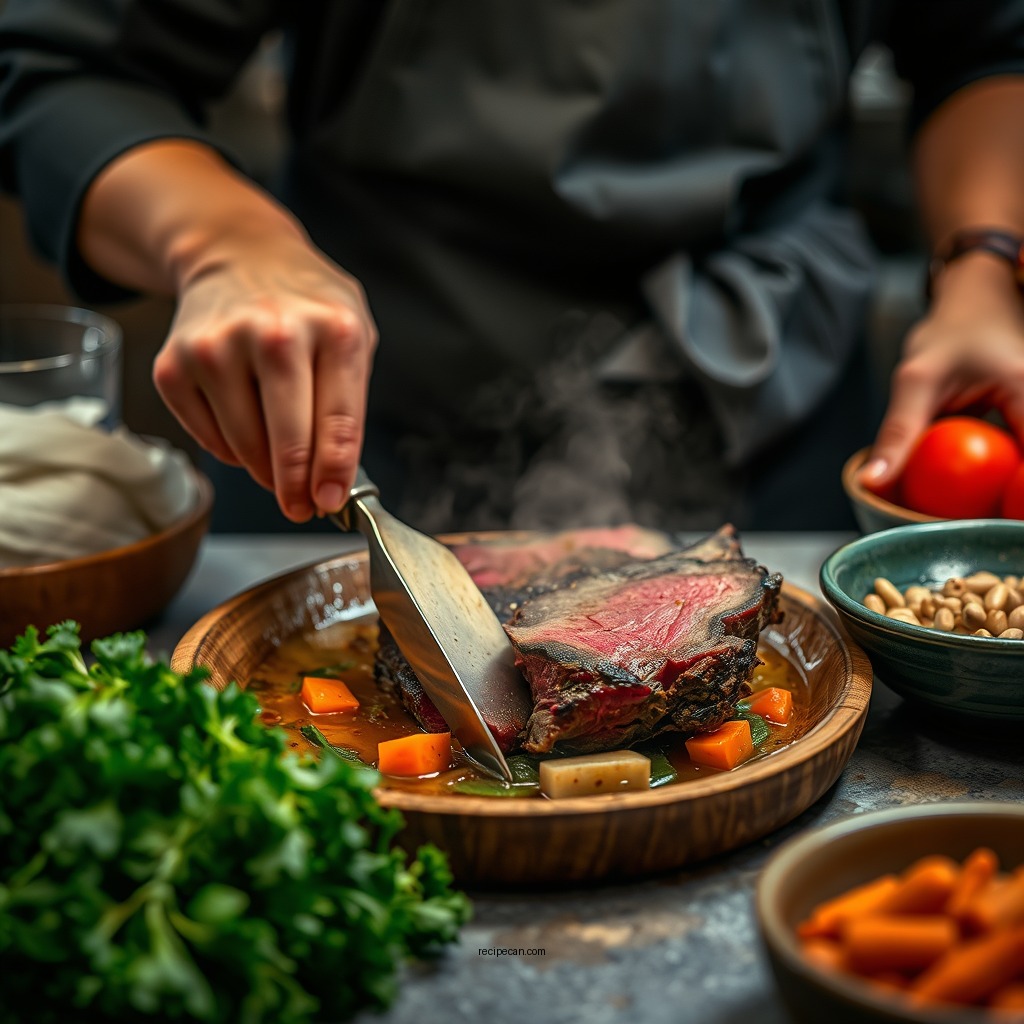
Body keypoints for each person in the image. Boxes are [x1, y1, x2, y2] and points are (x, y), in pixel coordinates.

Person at [1, 1, 1023, 535]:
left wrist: (983, 261)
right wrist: (226, 242)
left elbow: (984, 44)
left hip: (781, 410)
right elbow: (67, 65)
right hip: (369, 410)